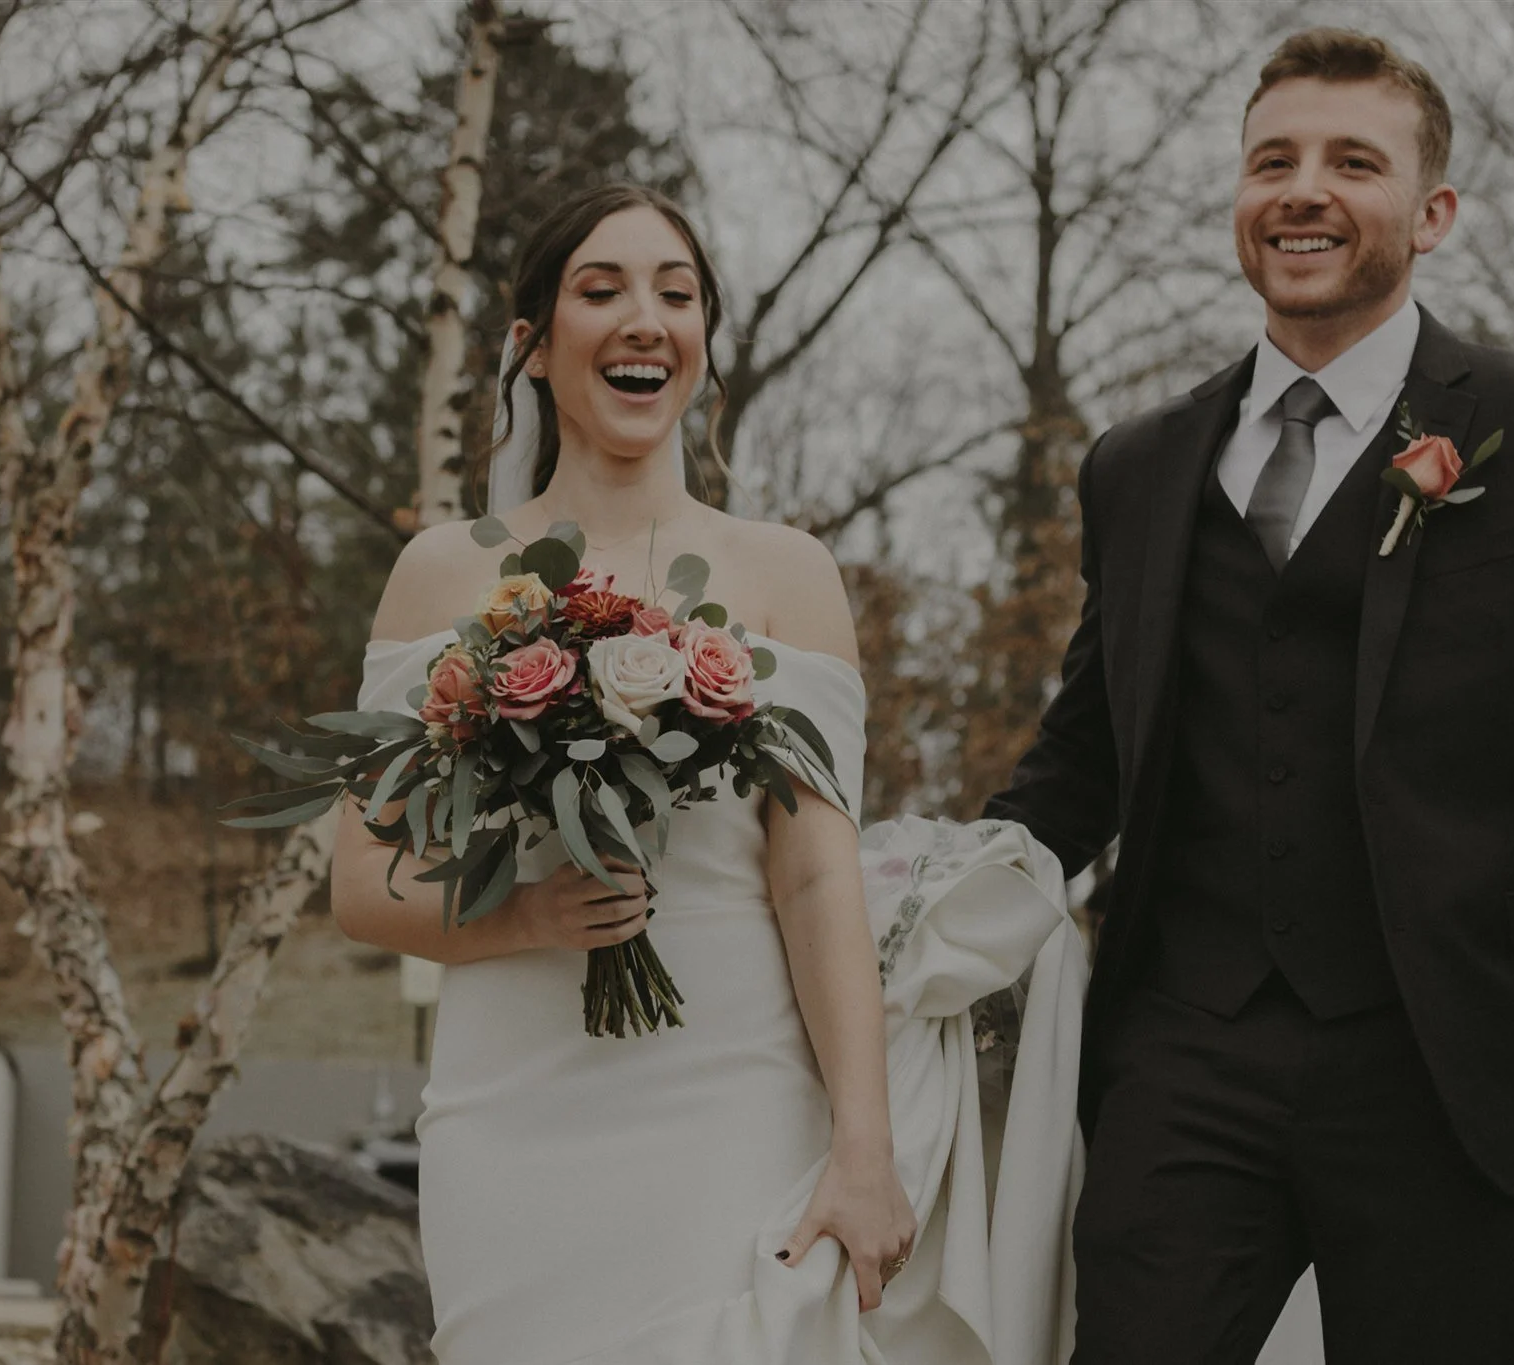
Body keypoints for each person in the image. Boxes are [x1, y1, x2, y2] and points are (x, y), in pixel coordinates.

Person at [985, 28, 1514, 1365]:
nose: (1302, 190)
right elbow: (1082, 761)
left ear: (1431, 213)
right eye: (1271, 160)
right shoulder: (1136, 467)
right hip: (1185, 1053)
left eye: (1351, 162)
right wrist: (921, 898)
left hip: (1453, 1064)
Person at [331, 184, 1084, 1364]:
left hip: (737, 1102)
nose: (645, 318)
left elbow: (814, 880)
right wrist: (525, 913)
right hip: (512, 1119)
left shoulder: (786, 575)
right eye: (601, 290)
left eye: (676, 295)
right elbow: (362, 884)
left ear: (700, 344)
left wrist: (864, 1147)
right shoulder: (443, 576)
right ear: (533, 346)